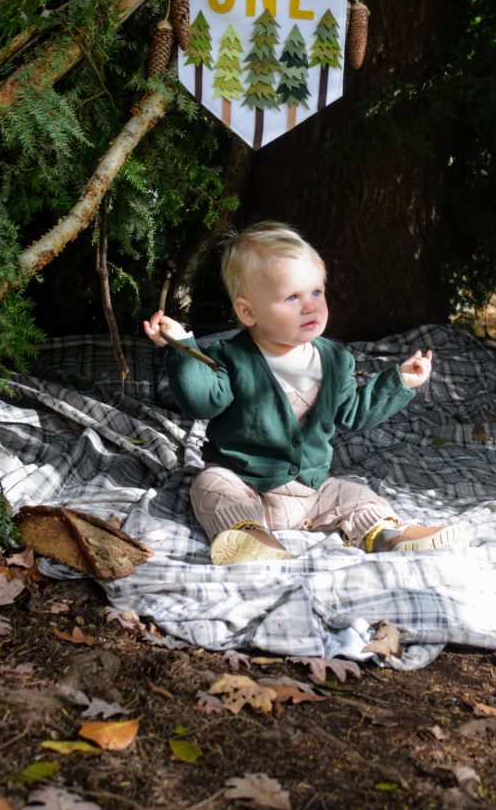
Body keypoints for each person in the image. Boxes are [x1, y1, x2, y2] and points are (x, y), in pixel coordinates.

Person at [143, 221, 460, 565]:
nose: (310, 306)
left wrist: (399, 382)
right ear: (248, 311)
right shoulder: (230, 357)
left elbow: (354, 413)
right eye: (292, 297)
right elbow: (201, 402)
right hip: (246, 484)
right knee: (209, 485)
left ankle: (388, 534)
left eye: (316, 293)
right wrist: (182, 348)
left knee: (355, 494)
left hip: (310, 492)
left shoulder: (336, 360)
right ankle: (249, 537)